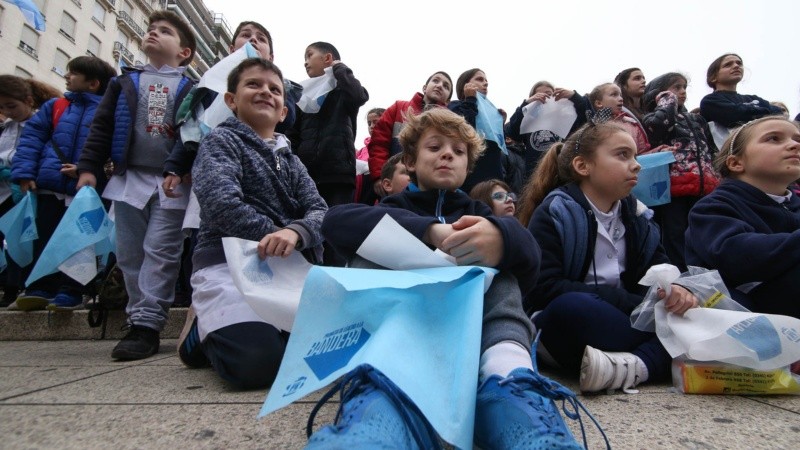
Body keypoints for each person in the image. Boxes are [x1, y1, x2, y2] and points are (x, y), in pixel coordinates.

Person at [307, 108, 588, 449]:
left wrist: (500, 242)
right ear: (410, 161)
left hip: (478, 339)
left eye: (458, 151)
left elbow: (531, 261)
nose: (447, 155)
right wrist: (431, 231)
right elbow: (336, 222)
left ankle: (509, 382)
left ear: (468, 167)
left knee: (500, 272)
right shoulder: (391, 206)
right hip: (402, 340)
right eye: (434, 147)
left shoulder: (479, 214)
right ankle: (384, 391)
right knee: (371, 248)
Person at [178, 58, 327, 389]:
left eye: (275, 89)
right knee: (256, 366)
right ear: (231, 100)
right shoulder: (220, 141)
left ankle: (259, 329)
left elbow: (320, 211)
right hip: (230, 266)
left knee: (328, 353)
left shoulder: (293, 161)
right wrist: (276, 234)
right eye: (254, 85)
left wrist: (296, 233)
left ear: (284, 112)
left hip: (289, 271)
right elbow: (222, 204)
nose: (266, 92)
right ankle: (199, 329)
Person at [521, 121, 699, 394]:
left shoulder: (640, 217)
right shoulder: (556, 212)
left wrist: (676, 291)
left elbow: (659, 270)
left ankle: (633, 365)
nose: (637, 165)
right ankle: (661, 356)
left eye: (636, 156)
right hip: (575, 325)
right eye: (622, 155)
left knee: (705, 303)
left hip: (626, 320)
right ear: (583, 166)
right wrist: (632, 305)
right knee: (573, 307)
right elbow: (544, 289)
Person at [76, 10, 197, 360]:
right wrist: (88, 168)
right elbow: (101, 127)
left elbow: (194, 134)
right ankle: (135, 317)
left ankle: (147, 325)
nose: (153, 34)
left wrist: (184, 165)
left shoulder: (192, 88)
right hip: (128, 179)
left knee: (162, 252)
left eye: (165, 31)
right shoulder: (123, 83)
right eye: (151, 29)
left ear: (184, 52)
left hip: (172, 183)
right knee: (130, 252)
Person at [10, 57, 116, 310]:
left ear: (93, 83)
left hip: (87, 189)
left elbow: (112, 146)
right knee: (44, 236)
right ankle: (40, 286)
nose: (67, 77)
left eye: (74, 73)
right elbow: (32, 139)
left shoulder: (110, 111)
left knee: (81, 240)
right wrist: (25, 173)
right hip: (51, 185)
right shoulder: (56, 107)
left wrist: (86, 168)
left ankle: (72, 289)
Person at [686, 116, 800, 318]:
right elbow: (734, 255)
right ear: (736, 163)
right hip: (746, 318)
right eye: (774, 139)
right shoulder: (714, 206)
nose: (793, 145)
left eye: (797, 140)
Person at [286, 41, 368, 266]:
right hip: (307, 174)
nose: (305, 61)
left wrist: (341, 69)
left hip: (338, 173)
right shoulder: (302, 95)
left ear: (328, 58)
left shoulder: (343, 90)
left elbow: (359, 95)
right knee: (305, 227)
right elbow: (293, 133)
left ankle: (333, 282)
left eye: (309, 54)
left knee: (335, 230)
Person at [641, 72, 720, 271]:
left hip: (704, 187)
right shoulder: (652, 118)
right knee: (675, 235)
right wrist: (667, 101)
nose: (682, 92)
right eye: (676, 87)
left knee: (703, 233)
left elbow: (711, 150)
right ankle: (680, 276)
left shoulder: (697, 119)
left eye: (684, 87)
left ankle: (706, 275)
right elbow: (659, 126)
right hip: (672, 188)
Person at [0, 75, 62, 308]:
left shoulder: (40, 124)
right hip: (5, 191)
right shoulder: (5, 128)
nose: (8, 111)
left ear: (28, 100)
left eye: (12, 106)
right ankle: (9, 283)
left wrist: (21, 172)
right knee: (9, 239)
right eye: (2, 107)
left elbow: (39, 152)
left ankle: (19, 286)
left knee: (23, 238)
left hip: (28, 189)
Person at [367, 71, 452, 196]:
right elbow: (378, 144)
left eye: (446, 86)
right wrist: (380, 176)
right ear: (424, 88)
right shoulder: (398, 108)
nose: (439, 85)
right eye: (435, 80)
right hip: (395, 185)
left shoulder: (450, 122)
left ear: (448, 100)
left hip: (431, 188)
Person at [699, 53, 783, 144]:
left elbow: (779, 113)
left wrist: (748, 113)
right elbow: (734, 116)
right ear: (713, 77)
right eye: (728, 65)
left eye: (739, 63)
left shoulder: (753, 98)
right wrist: (764, 112)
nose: (736, 66)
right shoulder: (710, 101)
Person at [448, 68, 506, 193]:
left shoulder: (491, 113)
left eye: (486, 82)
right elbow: (463, 129)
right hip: (470, 182)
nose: (485, 83)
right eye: (480, 79)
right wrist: (470, 100)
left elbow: (495, 148)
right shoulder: (455, 106)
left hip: (493, 181)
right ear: (465, 84)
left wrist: (500, 125)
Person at [589, 83, 650, 153]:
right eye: (614, 94)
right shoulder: (593, 129)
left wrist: (659, 150)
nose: (621, 99)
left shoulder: (631, 123)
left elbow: (642, 152)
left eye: (620, 95)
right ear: (599, 103)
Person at [355, 107, 384, 204]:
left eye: (375, 122)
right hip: (361, 197)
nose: (371, 126)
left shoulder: (390, 147)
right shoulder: (361, 151)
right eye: (369, 123)